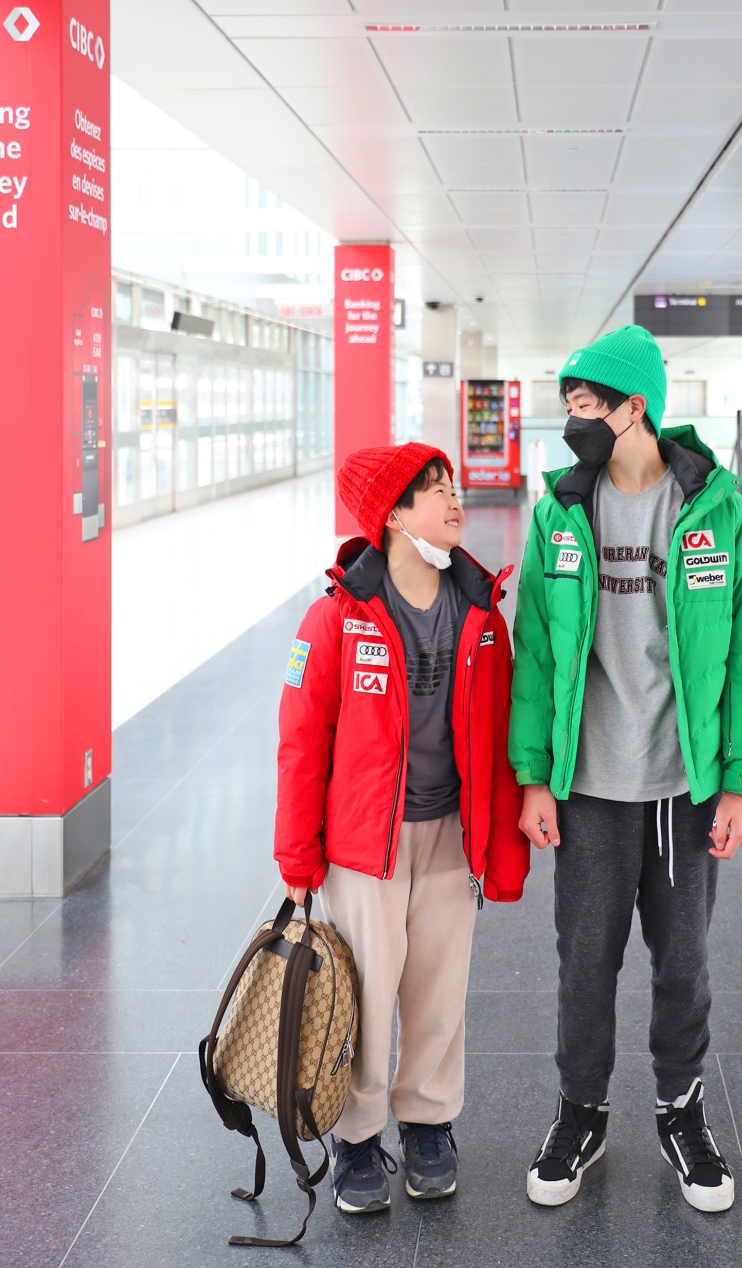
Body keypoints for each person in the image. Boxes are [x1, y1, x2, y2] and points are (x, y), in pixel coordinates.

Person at [509, 325, 742, 1213]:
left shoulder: (717, 511)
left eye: (589, 404)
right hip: (588, 788)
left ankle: (680, 1110)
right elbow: (539, 655)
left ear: (638, 408)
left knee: (683, 963)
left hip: (683, 789)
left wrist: (741, 779)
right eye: (570, 404)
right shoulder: (558, 512)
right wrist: (536, 775)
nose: (574, 419)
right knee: (584, 963)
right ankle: (580, 1112)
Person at [275, 442, 529, 1214]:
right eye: (434, 490)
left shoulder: (483, 615)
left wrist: (505, 847)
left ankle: (426, 1124)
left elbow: (501, 738)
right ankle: (358, 1135)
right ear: (392, 516)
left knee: (438, 993)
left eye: (452, 486)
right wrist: (297, 850)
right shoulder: (335, 617)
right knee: (366, 991)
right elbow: (300, 738)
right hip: (363, 848)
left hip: (451, 837)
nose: (454, 500)